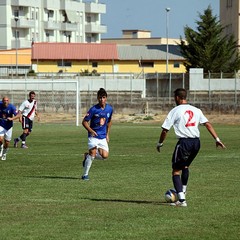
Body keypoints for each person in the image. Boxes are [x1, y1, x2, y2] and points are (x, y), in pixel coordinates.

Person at [156, 88, 226, 207]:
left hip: (184, 143)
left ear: (177, 98)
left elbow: (165, 130)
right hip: (196, 143)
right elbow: (207, 124)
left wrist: (160, 143)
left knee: (176, 171)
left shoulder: (175, 110)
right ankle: (183, 191)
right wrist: (217, 139)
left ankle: (182, 200)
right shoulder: (196, 110)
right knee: (185, 166)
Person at [81, 88, 113, 180]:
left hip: (102, 137)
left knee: (105, 156)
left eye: (103, 97)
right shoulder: (93, 109)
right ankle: (85, 175)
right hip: (93, 136)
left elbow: (110, 121)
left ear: (106, 98)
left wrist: (107, 133)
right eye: (100, 98)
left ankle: (87, 156)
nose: (101, 100)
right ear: (97, 98)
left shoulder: (109, 109)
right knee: (93, 153)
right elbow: (84, 122)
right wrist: (90, 130)